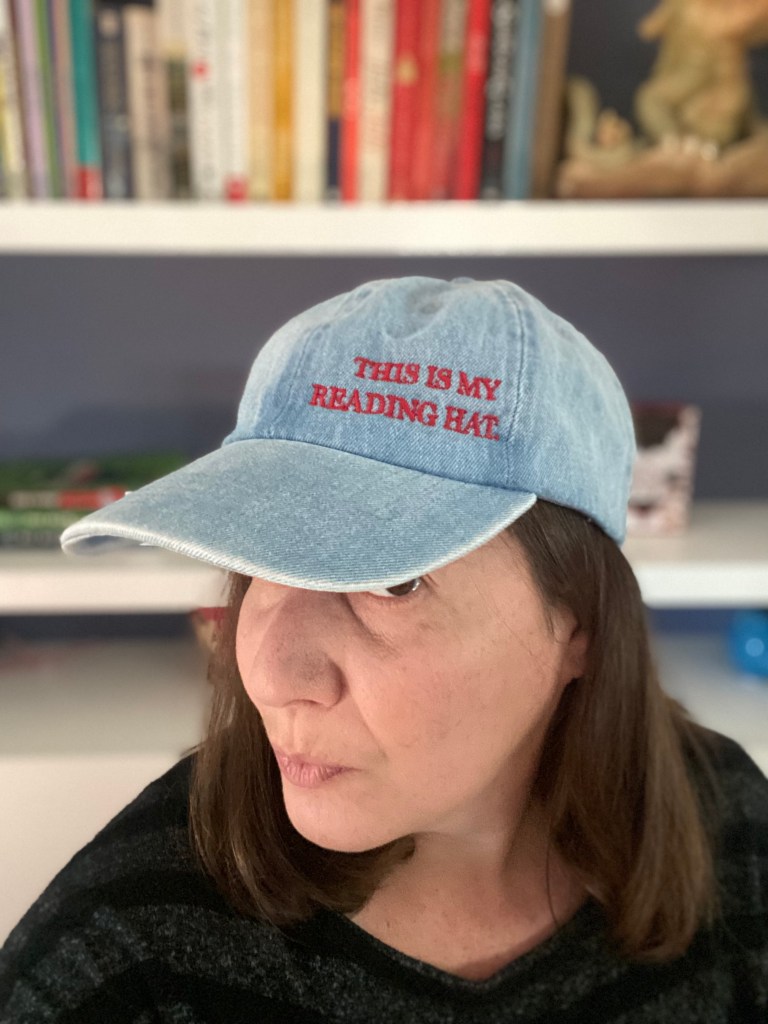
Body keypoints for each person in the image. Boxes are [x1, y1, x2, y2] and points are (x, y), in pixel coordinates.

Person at [0, 276, 766, 1023]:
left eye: (394, 582)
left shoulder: (732, 840)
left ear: (581, 628)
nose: (269, 674)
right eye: (258, 561)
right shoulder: (133, 944)